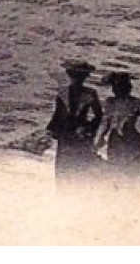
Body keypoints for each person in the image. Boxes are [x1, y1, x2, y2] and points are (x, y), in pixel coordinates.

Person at [47, 59, 103, 188]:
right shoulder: (62, 93)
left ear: (84, 78)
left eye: (80, 77)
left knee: (80, 168)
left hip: (81, 136)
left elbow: (99, 116)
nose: (77, 79)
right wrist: (51, 130)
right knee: (63, 169)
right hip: (65, 135)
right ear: (70, 76)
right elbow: (57, 115)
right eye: (74, 76)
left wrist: (88, 128)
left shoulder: (90, 93)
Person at [96, 72, 140, 189]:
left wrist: (97, 141)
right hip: (123, 140)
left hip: (123, 141)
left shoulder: (117, 103)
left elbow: (104, 124)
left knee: (123, 171)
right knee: (127, 172)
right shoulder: (121, 103)